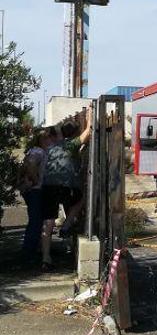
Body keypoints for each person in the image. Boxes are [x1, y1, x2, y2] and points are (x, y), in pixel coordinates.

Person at [41, 107, 92, 271]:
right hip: (65, 186)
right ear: (73, 134)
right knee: (81, 199)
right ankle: (66, 225)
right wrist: (90, 117)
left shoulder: (50, 148)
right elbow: (87, 134)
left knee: (47, 223)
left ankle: (46, 258)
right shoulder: (70, 145)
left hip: (47, 187)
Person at [18, 128, 51, 262]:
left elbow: (23, 167)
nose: (51, 140)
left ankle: (30, 249)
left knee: (35, 219)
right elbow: (31, 165)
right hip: (35, 190)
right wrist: (36, 181)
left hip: (30, 189)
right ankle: (28, 252)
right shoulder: (38, 151)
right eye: (49, 138)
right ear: (43, 140)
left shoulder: (33, 150)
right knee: (36, 221)